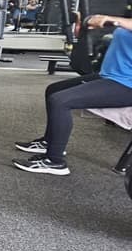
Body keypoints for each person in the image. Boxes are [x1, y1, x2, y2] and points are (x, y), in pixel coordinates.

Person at [14, 13, 132, 175]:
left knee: (61, 101)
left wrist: (111, 20)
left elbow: (123, 23)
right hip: (111, 76)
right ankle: (50, 142)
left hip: (127, 85)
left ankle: (55, 162)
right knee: (54, 90)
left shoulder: (125, 22)